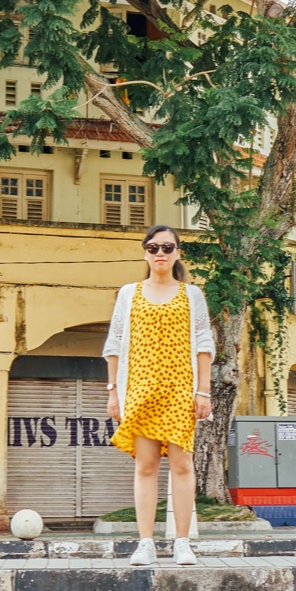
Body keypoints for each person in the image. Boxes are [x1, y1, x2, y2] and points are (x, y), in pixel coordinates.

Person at [104, 224, 214, 567]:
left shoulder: (191, 294)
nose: (160, 253)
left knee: (182, 464)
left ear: (178, 252)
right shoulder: (129, 293)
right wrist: (113, 393)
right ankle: (146, 543)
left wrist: (203, 392)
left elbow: (204, 345)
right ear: (145, 253)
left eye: (167, 247)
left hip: (181, 391)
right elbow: (114, 344)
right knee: (146, 465)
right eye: (153, 248)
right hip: (139, 390)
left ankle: (182, 541)